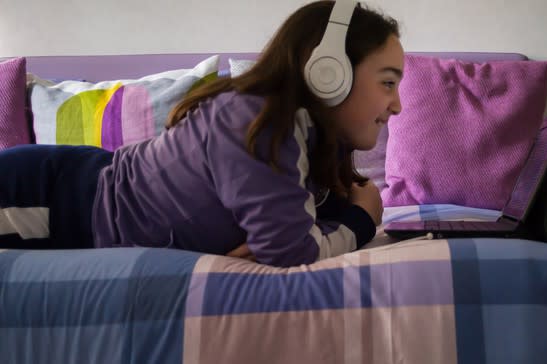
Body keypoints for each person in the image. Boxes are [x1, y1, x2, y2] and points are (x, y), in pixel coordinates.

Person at [0, 0, 403, 267]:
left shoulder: (297, 136)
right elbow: (292, 252)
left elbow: (288, 239)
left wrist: (299, 235)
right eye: (388, 82)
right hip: (52, 200)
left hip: (75, 192)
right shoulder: (259, 122)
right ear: (329, 72)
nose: (397, 104)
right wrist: (361, 219)